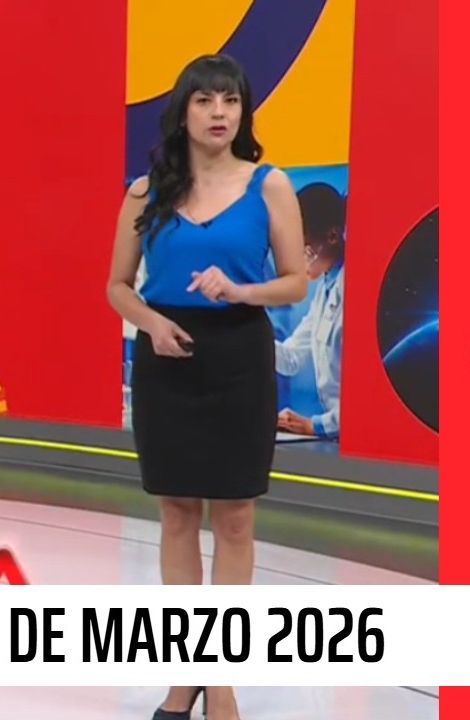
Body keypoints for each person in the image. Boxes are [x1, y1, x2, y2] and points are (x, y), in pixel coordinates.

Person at [106, 54, 307, 720]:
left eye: (231, 100)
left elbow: (294, 282)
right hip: (166, 357)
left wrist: (240, 290)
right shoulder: (146, 193)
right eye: (205, 100)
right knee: (176, 514)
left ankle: (221, 680)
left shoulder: (270, 186)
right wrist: (152, 324)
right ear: (184, 111)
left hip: (239, 356)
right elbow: (116, 286)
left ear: (243, 111)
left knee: (236, 517)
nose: (220, 113)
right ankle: (184, 673)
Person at [274, 183, 346, 439]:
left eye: (304, 248)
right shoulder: (326, 288)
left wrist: (312, 426)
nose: (297, 259)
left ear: (332, 236)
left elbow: (368, 398)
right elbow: (291, 359)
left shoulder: (355, 289)